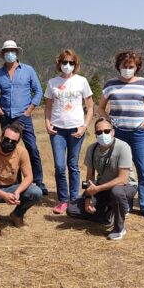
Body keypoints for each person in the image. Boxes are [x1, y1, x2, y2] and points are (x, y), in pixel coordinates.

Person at [98, 51, 144, 219]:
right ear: (119, 66)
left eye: (131, 67)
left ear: (137, 67)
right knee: (122, 169)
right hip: (119, 133)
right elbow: (101, 107)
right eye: (125, 66)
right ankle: (125, 203)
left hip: (139, 133)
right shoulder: (111, 84)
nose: (127, 69)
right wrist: (108, 121)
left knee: (143, 169)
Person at [0, 40, 48, 195]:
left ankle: (38, 181)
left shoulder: (28, 70)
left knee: (32, 149)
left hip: (23, 117)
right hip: (6, 117)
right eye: (7, 51)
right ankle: (15, 182)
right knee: (9, 150)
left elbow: (38, 92)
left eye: (12, 50)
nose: (10, 53)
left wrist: (28, 111)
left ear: (16, 53)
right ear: (2, 55)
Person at [66, 118, 138, 240]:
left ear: (113, 132)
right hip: (102, 188)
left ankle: (119, 228)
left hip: (125, 187)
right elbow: (89, 177)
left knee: (117, 192)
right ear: (95, 134)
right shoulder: (92, 149)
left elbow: (123, 179)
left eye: (106, 131)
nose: (103, 134)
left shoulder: (123, 147)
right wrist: (88, 197)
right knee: (72, 209)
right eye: (99, 132)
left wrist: (97, 189)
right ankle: (108, 215)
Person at [44, 49, 94, 214]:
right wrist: (47, 123)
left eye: (71, 62)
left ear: (75, 64)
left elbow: (90, 106)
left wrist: (84, 126)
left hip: (76, 129)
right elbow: (48, 106)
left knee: (72, 165)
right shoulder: (52, 82)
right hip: (57, 130)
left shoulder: (82, 81)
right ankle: (62, 200)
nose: (67, 65)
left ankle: (74, 199)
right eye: (64, 62)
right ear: (59, 63)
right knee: (59, 166)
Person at [0, 122, 43, 233]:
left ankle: (17, 215)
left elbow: (29, 176)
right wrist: (3, 195)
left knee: (36, 192)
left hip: (12, 187)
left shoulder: (22, 152)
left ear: (17, 143)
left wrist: (18, 192)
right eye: (7, 139)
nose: (9, 143)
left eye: (13, 142)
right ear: (1, 137)